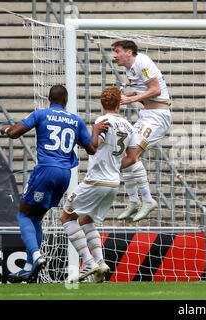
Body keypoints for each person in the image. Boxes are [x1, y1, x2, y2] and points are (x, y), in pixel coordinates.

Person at [0, 85, 108, 283]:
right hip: (64, 175)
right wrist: (96, 132)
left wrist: (5, 128)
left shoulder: (40, 114)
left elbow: (15, 133)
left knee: (23, 214)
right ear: (66, 100)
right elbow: (92, 149)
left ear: (48, 98)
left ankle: (36, 255)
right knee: (37, 217)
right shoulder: (75, 120)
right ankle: (30, 268)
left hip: (45, 171)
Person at [61, 86, 137, 283]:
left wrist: (93, 132)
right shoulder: (129, 126)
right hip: (113, 183)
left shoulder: (101, 122)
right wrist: (113, 167)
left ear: (102, 103)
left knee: (67, 217)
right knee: (86, 220)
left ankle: (87, 261)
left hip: (95, 180)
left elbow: (94, 148)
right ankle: (100, 262)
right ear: (120, 104)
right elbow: (132, 158)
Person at [111, 40, 172, 222]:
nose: (114, 56)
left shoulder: (142, 63)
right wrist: (124, 96)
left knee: (130, 156)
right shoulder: (130, 69)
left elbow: (155, 90)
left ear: (128, 52)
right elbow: (142, 91)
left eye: (117, 51)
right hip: (146, 114)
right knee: (125, 154)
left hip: (158, 116)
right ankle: (134, 201)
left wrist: (130, 100)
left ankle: (147, 200)